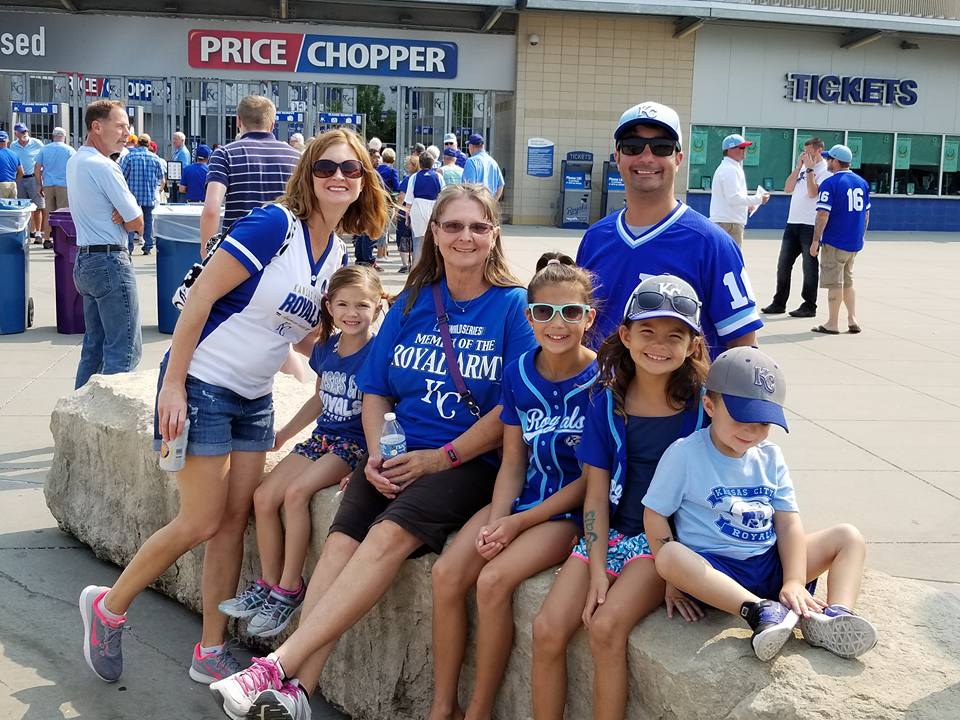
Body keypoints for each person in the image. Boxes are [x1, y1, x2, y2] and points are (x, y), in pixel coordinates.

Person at [209, 184, 537, 720]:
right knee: (339, 547)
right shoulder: (411, 300)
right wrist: (382, 451)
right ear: (434, 232)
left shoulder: (512, 307)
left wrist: (439, 459)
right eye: (453, 225)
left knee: (385, 538)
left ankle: (276, 666)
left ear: (494, 234)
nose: (465, 237)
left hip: (466, 462)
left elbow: (512, 409)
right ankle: (299, 693)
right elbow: (376, 385)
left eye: (478, 226)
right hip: (395, 451)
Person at [77, 129, 381, 687]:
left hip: (256, 397)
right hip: (204, 384)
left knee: (231, 523)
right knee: (199, 519)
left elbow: (303, 337)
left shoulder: (337, 253)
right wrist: (172, 384)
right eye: (327, 167)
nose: (340, 176)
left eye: (352, 169)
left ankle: (210, 649)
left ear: (365, 181)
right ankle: (108, 607)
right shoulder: (274, 226)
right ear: (308, 173)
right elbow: (201, 297)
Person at [428, 253, 598, 720]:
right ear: (529, 317)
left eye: (570, 312)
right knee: (446, 574)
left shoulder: (603, 380)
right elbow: (512, 461)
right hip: (522, 497)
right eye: (544, 312)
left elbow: (591, 482)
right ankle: (444, 706)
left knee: (493, 579)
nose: (556, 323)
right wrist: (500, 517)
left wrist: (518, 522)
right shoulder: (520, 371)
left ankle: (479, 710)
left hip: (566, 511)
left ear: (590, 317)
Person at [532, 275, 710, 720]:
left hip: (665, 546)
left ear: (692, 345)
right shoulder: (605, 402)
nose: (659, 345)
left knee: (607, 626)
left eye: (675, 336)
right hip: (609, 535)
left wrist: (680, 571)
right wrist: (595, 569)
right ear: (626, 336)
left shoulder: (705, 409)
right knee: (547, 629)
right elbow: (594, 495)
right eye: (647, 332)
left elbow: (712, 492)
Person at [644, 346, 877, 661]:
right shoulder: (685, 454)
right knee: (669, 555)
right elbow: (656, 515)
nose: (752, 431)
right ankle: (758, 612)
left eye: (764, 422)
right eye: (742, 417)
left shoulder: (770, 456)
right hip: (716, 572)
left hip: (769, 563)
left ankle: (833, 617)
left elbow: (787, 521)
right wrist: (673, 580)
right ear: (710, 406)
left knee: (848, 537)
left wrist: (794, 579)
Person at [220, 266, 384, 639]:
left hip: (354, 445)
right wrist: (284, 434)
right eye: (342, 304)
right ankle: (267, 583)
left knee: (295, 494)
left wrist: (367, 463)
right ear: (328, 305)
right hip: (324, 438)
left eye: (362, 305)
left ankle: (289, 587)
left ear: (378, 305)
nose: (351, 312)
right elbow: (318, 399)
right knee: (263, 497)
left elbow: (390, 409)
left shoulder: (379, 352)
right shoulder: (326, 348)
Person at [575, 102, 762, 359]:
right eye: (633, 146)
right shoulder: (595, 238)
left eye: (661, 147)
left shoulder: (711, 244)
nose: (647, 157)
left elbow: (743, 347)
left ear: (678, 159)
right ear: (617, 157)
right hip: (600, 397)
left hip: (682, 398)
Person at [65, 100, 144, 390]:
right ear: (97, 127)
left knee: (94, 349)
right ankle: (109, 426)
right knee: (124, 352)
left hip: (86, 261)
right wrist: (125, 218)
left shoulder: (76, 160)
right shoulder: (104, 167)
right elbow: (137, 221)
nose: (127, 133)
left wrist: (122, 214)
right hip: (110, 261)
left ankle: (79, 418)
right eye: (120, 125)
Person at [201, 95, 301, 256]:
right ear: (272, 124)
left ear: (238, 121)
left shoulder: (224, 155)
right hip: (285, 252)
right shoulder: (296, 158)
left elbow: (212, 209)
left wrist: (206, 252)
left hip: (236, 253)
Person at [761, 138, 829, 319]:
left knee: (809, 267)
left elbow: (813, 192)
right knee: (783, 264)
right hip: (793, 223)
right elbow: (787, 188)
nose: (807, 156)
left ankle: (809, 305)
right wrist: (799, 167)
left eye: (810, 152)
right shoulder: (803, 169)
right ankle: (779, 302)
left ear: (819, 150)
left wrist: (810, 170)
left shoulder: (825, 172)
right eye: (804, 152)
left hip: (810, 225)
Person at [810, 144, 870, 335]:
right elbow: (866, 214)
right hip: (854, 241)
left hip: (835, 241)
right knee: (848, 281)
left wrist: (815, 240)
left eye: (829, 159)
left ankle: (832, 323)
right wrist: (861, 235)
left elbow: (822, 215)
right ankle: (852, 319)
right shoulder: (862, 182)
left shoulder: (830, 183)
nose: (828, 162)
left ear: (835, 162)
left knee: (834, 283)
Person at [708, 133, 769, 248]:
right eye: (741, 147)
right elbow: (733, 199)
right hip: (728, 224)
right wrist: (759, 199)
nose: (744, 150)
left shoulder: (731, 167)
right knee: (731, 262)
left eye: (745, 147)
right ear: (730, 150)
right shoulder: (730, 169)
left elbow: (733, 198)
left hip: (728, 222)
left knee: (724, 261)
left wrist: (748, 205)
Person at [120, 134, 166, 255]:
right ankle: (148, 246)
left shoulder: (129, 157)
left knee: (130, 218)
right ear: (149, 144)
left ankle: (129, 247)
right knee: (148, 220)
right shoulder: (155, 158)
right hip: (149, 194)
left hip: (132, 195)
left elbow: (122, 176)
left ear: (137, 143)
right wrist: (159, 190)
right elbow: (162, 179)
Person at [35, 126, 76, 247]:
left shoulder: (44, 149)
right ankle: (61, 240)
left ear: (53, 136)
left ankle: (47, 239)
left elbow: (37, 168)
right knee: (63, 214)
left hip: (48, 184)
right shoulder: (69, 150)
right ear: (64, 136)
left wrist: (39, 184)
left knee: (48, 212)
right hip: (64, 185)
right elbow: (74, 168)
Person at [403, 152, 444, 265]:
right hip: (433, 209)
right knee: (434, 240)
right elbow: (443, 196)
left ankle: (417, 268)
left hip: (417, 209)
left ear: (420, 164)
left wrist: (407, 217)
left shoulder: (414, 177)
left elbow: (409, 200)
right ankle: (434, 267)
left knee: (418, 242)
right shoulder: (438, 177)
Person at [11, 122, 46, 244]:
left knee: (37, 206)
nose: (24, 134)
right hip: (19, 179)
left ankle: (38, 234)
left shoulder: (37, 143)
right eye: (22, 132)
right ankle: (27, 232)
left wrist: (41, 178)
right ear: (16, 133)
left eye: (25, 131)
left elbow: (44, 159)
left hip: (33, 178)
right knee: (23, 207)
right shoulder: (13, 146)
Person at [394, 154, 420, 273]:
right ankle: (414, 263)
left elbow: (402, 196)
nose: (406, 166)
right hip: (416, 212)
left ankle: (405, 264)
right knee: (415, 238)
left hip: (405, 211)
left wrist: (396, 211)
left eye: (408, 163)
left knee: (402, 237)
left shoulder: (408, 179)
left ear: (413, 165)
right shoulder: (418, 178)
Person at [462, 134, 504, 201]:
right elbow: (501, 185)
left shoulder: (471, 161)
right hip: (488, 205)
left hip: (476, 205)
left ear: (471, 146)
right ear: (483, 146)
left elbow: (468, 187)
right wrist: (493, 202)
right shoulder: (493, 162)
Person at [0, 130, 23, 199]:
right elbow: (21, 172)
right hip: (12, 185)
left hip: (1, 185)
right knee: (12, 209)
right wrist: (14, 180)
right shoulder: (14, 154)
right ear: (7, 140)